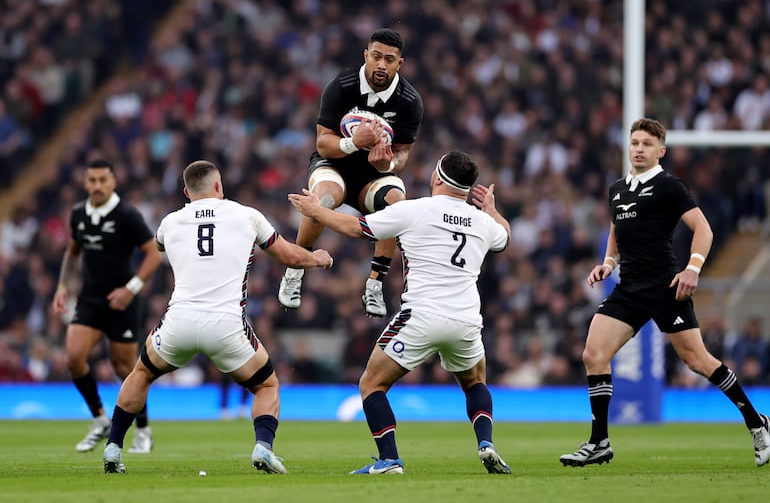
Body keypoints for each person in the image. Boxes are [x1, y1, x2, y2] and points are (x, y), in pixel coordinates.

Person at [559, 118, 770, 468]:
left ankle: (756, 422)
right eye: (634, 143)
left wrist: (693, 268)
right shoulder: (617, 189)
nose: (639, 149)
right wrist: (608, 263)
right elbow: (617, 233)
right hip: (629, 288)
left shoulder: (669, 186)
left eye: (647, 144)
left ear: (661, 151)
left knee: (698, 361)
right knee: (593, 354)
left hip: (665, 287)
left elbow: (703, 229)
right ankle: (599, 442)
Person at [102, 160, 333, 474]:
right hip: (225, 325)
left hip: (178, 322)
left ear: (186, 191)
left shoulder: (169, 222)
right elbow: (290, 255)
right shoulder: (247, 215)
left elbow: (159, 247)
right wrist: (317, 259)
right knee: (266, 385)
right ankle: (263, 448)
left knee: (141, 373)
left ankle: (114, 449)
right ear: (219, 186)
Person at [289, 149, 512, 475]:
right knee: (476, 383)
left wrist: (316, 211)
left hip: (422, 316)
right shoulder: (483, 222)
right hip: (466, 320)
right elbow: (505, 236)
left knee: (371, 384)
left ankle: (389, 459)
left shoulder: (414, 210)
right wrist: (491, 209)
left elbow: (355, 228)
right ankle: (486, 444)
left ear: (436, 178)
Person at [278, 27, 424, 318]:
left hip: (374, 173)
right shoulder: (342, 86)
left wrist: (389, 164)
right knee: (323, 199)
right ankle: (295, 269)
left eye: (390, 59)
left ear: (400, 64)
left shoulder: (409, 100)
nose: (382, 65)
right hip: (334, 164)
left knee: (397, 204)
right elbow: (323, 142)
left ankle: (375, 284)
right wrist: (353, 143)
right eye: (377, 56)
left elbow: (404, 153)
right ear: (366, 56)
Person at [51, 159, 162, 454]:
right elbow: (73, 253)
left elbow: (153, 253)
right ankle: (100, 418)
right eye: (92, 180)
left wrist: (131, 289)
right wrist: (62, 286)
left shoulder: (127, 215)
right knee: (74, 358)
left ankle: (143, 429)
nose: (97, 186)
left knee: (125, 368)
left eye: (103, 180)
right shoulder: (78, 214)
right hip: (90, 297)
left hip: (122, 300)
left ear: (113, 182)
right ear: (85, 183)